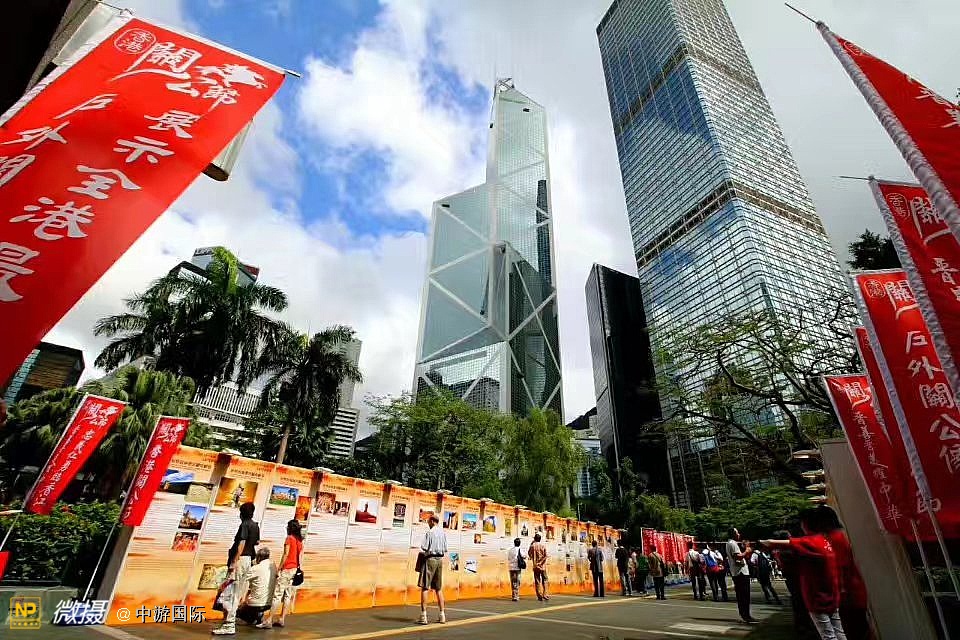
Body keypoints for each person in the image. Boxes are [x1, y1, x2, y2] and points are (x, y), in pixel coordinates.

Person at [763, 509, 847, 640]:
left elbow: (775, 543)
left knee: (828, 636)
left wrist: (765, 542)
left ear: (807, 524)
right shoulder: (824, 540)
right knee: (838, 631)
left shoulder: (811, 542)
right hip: (831, 594)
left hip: (818, 598)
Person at [817, 506, 871, 640]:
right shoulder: (837, 536)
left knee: (854, 630)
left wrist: (840, 592)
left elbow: (840, 568)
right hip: (851, 593)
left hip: (849, 594)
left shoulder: (835, 539)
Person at [214, 502, 260, 635]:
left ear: (242, 513)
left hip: (240, 560)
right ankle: (228, 622)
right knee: (236, 592)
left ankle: (229, 624)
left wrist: (234, 561)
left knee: (230, 593)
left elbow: (242, 542)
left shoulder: (245, 524)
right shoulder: (255, 526)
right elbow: (256, 542)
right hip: (247, 560)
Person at [260, 519, 303, 628]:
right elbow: (299, 557)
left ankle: (269, 620)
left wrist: (279, 568)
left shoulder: (289, 538)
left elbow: (285, 554)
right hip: (294, 570)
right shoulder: (299, 541)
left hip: (287, 569)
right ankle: (282, 619)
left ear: (290, 528)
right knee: (288, 596)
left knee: (277, 595)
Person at [418, 514, 448, 624]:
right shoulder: (443, 533)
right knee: (438, 589)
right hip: (439, 560)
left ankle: (423, 616)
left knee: (425, 587)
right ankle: (442, 615)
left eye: (428, 521)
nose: (427, 523)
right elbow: (445, 548)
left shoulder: (430, 532)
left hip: (430, 560)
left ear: (431, 521)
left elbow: (424, 547)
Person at [236, 547, 277, 627]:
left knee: (238, 610)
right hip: (269, 603)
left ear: (259, 557)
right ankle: (257, 616)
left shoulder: (255, 568)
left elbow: (243, 580)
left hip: (256, 603)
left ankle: (250, 618)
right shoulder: (273, 566)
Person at [727, 527, 757, 624]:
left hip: (738, 572)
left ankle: (744, 614)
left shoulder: (730, 543)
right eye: (737, 532)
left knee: (741, 595)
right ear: (733, 534)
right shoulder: (733, 544)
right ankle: (746, 615)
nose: (739, 534)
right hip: (741, 572)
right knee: (744, 595)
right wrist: (747, 551)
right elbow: (738, 557)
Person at [529, 533, 550, 601]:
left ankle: (539, 595)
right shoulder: (543, 545)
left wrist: (531, 543)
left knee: (537, 580)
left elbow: (529, 553)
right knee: (545, 579)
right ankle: (545, 594)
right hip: (542, 566)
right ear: (540, 539)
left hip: (535, 566)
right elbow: (546, 556)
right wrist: (541, 563)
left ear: (534, 539)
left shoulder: (532, 546)